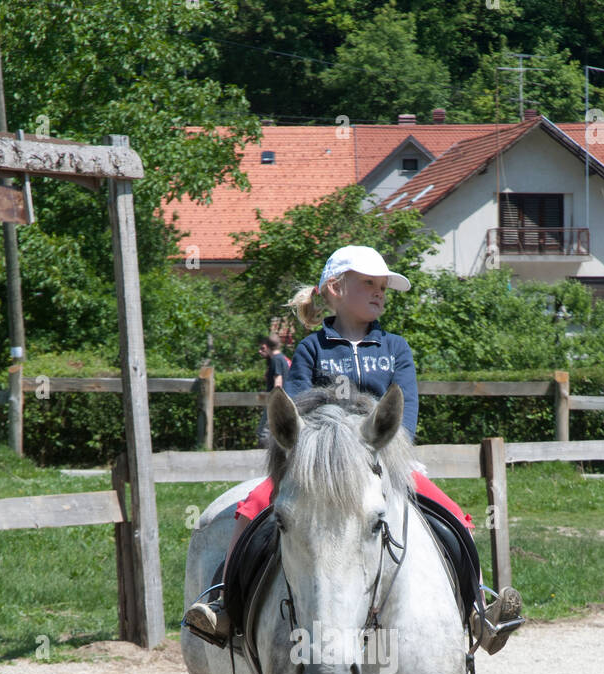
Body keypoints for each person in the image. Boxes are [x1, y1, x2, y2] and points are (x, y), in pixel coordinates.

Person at [184, 244, 522, 652]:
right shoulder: (312, 348)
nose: (380, 292)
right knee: (250, 507)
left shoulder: (395, 348)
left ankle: (477, 609)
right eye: (369, 284)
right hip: (318, 463)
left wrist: (388, 450)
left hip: (381, 458)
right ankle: (225, 606)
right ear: (336, 289)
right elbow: (294, 407)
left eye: (383, 287)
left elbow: (405, 408)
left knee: (454, 515)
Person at [256, 333, 290, 445]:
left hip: (275, 402)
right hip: (282, 400)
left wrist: (275, 400)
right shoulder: (282, 359)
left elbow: (278, 381)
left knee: (263, 432)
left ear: (268, 346)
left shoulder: (275, 360)